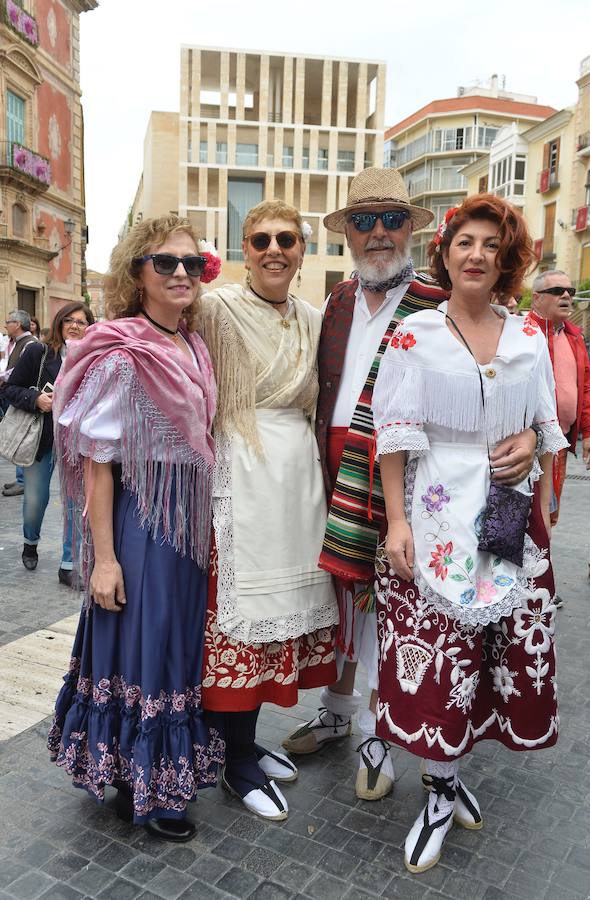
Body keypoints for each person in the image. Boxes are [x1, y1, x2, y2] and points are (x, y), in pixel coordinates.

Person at [282, 170, 538, 802]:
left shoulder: (435, 298)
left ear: (411, 231)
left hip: (408, 475)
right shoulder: (339, 301)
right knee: (342, 596)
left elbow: (506, 376)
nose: (376, 235)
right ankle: (338, 707)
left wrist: (529, 435)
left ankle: (378, 733)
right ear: (347, 235)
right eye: (363, 222)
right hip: (334, 469)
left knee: (387, 608)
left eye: (389, 221)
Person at [371, 194, 567, 873]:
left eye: (490, 244)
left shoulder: (529, 336)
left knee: (494, 651)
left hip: (509, 515)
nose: (476, 254)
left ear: (504, 259)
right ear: (445, 254)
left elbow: (544, 425)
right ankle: (437, 785)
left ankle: (450, 776)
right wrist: (395, 522)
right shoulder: (412, 334)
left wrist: (529, 445)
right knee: (439, 654)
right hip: (434, 511)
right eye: (464, 243)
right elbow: (392, 437)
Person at [48, 215, 224, 842]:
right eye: (165, 263)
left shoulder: (193, 345)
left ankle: (143, 771)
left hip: (184, 528)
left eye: (192, 263)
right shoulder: (124, 355)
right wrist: (103, 558)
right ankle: (150, 790)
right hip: (141, 527)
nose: (181, 273)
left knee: (172, 649)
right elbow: (99, 467)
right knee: (143, 649)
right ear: (137, 273)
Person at [199, 199, 339, 822]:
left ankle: (243, 742)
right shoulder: (214, 308)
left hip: (296, 481)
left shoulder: (318, 318)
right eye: (260, 240)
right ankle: (233, 760)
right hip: (239, 475)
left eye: (287, 238)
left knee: (278, 620)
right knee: (237, 621)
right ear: (243, 249)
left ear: (303, 250)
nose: (274, 249)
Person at [3, 302, 93, 580]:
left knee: (76, 503)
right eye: (70, 321)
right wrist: (36, 399)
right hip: (41, 439)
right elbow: (11, 389)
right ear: (59, 324)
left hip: (77, 444)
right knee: (35, 500)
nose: (76, 326)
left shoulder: (93, 357)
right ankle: (30, 542)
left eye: (82, 321)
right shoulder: (40, 353)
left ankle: (69, 564)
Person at [529, 270, 590, 527]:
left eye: (571, 291)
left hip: (560, 445)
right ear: (537, 299)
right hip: (529, 445)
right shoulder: (523, 333)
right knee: (525, 514)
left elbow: (585, 389)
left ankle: (543, 562)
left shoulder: (575, 337)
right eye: (557, 291)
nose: (566, 295)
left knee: (548, 515)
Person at [1, 309, 36, 497]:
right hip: (14, 393)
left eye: (8, 321)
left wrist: (2, 378)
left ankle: (24, 481)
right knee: (16, 436)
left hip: (22, 397)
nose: (6, 324)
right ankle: (21, 478)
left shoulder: (30, 344)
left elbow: (18, 371)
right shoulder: (14, 343)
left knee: (22, 438)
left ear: (18, 324)